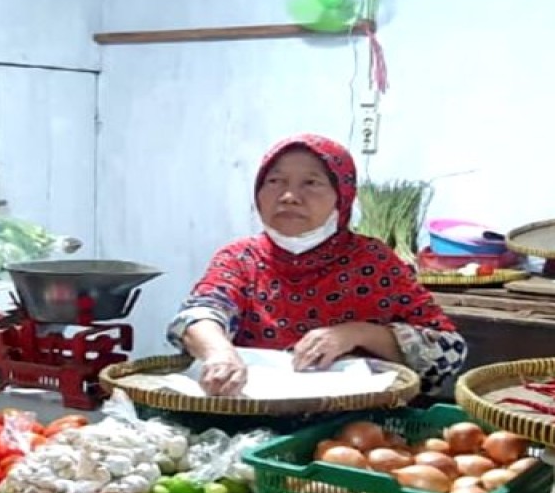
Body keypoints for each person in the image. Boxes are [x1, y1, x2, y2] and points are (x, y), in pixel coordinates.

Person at [168, 133, 468, 397]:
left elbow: (450, 350)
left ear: (342, 197)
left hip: (352, 423)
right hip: (248, 415)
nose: (289, 197)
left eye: (311, 183)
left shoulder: (373, 261)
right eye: (275, 181)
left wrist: (357, 334)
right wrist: (219, 353)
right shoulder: (240, 257)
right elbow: (199, 313)